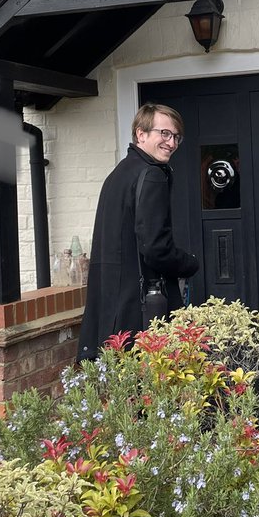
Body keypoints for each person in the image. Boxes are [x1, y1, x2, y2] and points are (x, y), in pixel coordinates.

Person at [77, 103, 199, 362]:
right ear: (140, 134)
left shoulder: (118, 174)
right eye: (164, 133)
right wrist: (189, 264)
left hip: (112, 307)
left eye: (176, 136)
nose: (171, 142)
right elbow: (156, 248)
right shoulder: (152, 175)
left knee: (121, 389)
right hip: (140, 307)